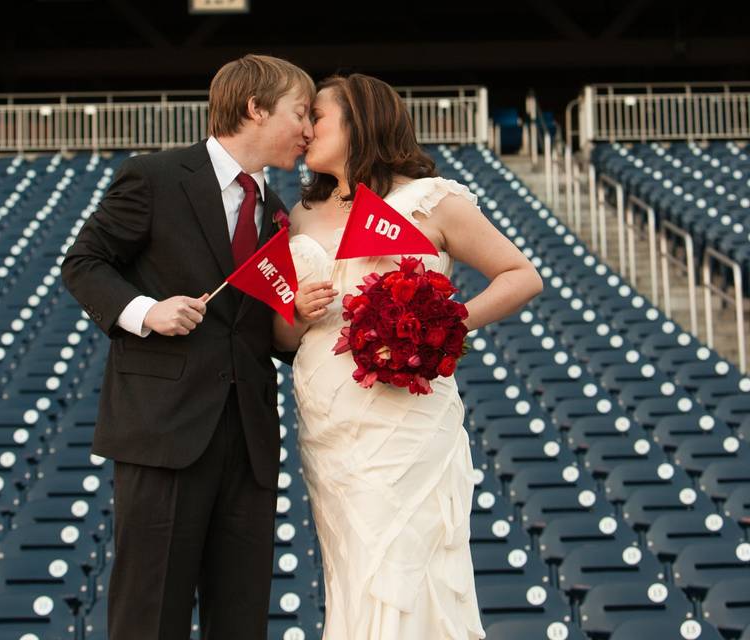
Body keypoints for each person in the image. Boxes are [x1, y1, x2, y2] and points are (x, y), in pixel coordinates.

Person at [274, 74, 543, 639]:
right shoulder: (297, 217)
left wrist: (443, 325)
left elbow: (521, 276)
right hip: (328, 421)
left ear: (359, 120)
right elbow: (283, 339)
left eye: (316, 117)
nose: (305, 130)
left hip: (405, 420)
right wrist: (297, 310)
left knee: (412, 562)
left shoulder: (429, 201)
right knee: (351, 567)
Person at [61, 54, 314, 639]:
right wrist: (147, 311)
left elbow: (262, 334)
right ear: (255, 108)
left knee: (241, 619)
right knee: (152, 616)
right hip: (164, 434)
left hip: (248, 441)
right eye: (299, 113)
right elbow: (83, 263)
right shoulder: (153, 176)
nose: (307, 130)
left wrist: (299, 318)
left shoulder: (278, 214)